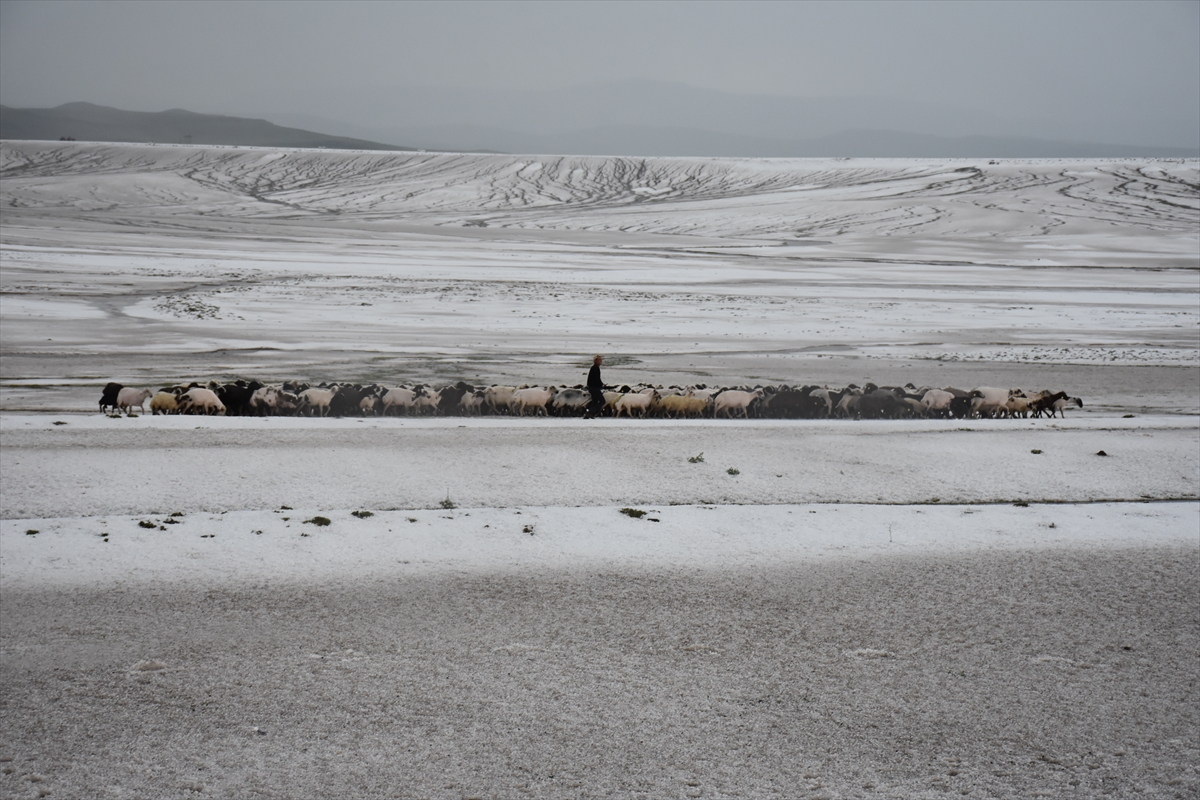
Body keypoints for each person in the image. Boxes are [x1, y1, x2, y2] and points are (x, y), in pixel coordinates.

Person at [583, 354, 606, 418]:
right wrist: (601, 384)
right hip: (594, 388)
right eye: (599, 360)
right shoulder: (595, 368)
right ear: (595, 361)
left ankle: (588, 415)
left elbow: (596, 378)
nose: (601, 361)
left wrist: (601, 383)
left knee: (595, 401)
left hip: (591, 387)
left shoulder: (595, 367)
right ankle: (589, 413)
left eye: (601, 360)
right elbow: (596, 379)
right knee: (602, 401)